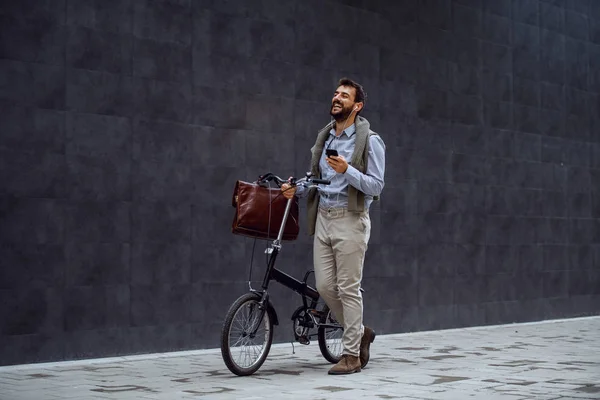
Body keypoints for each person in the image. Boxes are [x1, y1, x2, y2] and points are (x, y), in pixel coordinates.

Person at [282, 78, 385, 375]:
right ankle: (362, 332)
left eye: (345, 95)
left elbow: (376, 185)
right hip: (324, 218)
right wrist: (297, 189)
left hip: (351, 219)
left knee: (348, 288)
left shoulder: (370, 141)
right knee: (326, 287)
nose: (337, 98)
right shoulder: (326, 138)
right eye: (336, 94)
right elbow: (316, 179)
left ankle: (352, 355)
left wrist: (348, 170)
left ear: (358, 106)